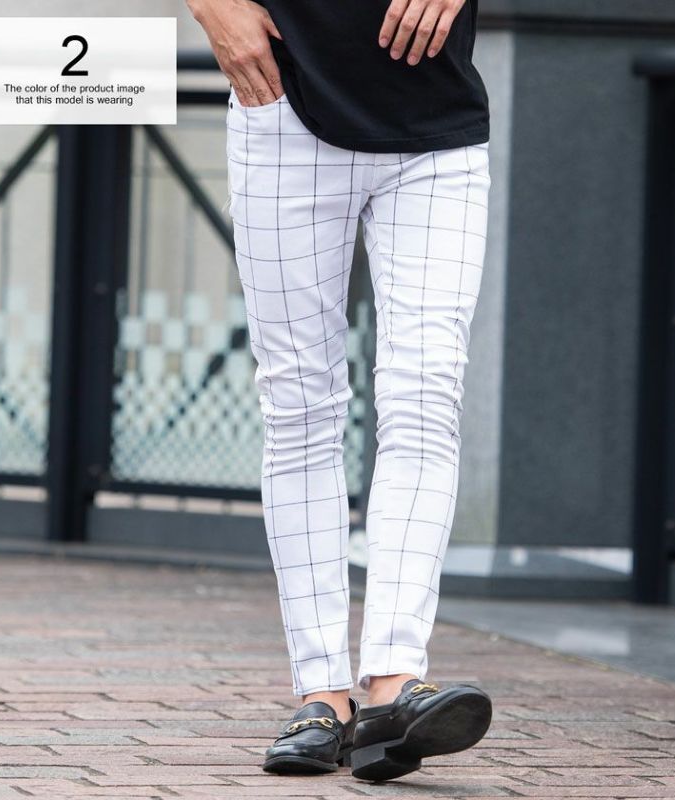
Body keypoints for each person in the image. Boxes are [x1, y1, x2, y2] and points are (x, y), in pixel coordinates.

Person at [186, 0, 494, 782]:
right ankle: (321, 693)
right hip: (282, 99)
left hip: (438, 122)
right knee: (300, 406)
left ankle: (394, 680)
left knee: (426, 394)